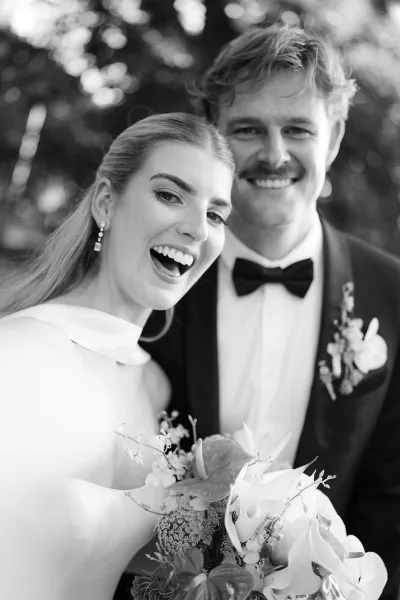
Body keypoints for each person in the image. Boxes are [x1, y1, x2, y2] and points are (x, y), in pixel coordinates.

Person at [141, 25, 400, 600]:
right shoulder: (153, 279)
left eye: (298, 129)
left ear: (332, 143)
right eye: (249, 130)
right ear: (214, 142)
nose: (274, 154)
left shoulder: (394, 293)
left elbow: (393, 499)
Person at [0, 112, 234, 600]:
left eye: (215, 214)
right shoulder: (20, 356)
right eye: (170, 195)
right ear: (106, 203)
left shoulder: (156, 387)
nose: (196, 228)